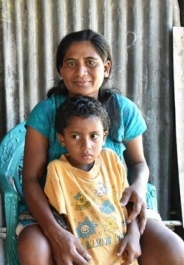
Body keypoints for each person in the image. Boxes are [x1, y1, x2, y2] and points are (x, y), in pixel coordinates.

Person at [18, 29, 184, 265]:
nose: (81, 72)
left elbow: (138, 164)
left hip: (117, 207)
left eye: (91, 63)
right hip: (58, 208)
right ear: (60, 70)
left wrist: (138, 187)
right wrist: (55, 233)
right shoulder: (46, 113)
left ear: (106, 68)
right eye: (71, 63)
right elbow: (30, 179)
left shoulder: (123, 110)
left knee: (174, 251)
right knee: (33, 248)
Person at [44, 96, 140, 265]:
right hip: (85, 259)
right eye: (75, 137)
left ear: (104, 137)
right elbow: (58, 218)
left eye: (94, 136)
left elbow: (127, 204)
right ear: (62, 139)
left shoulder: (111, 159)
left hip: (123, 257)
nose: (86, 145)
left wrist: (134, 234)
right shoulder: (58, 170)